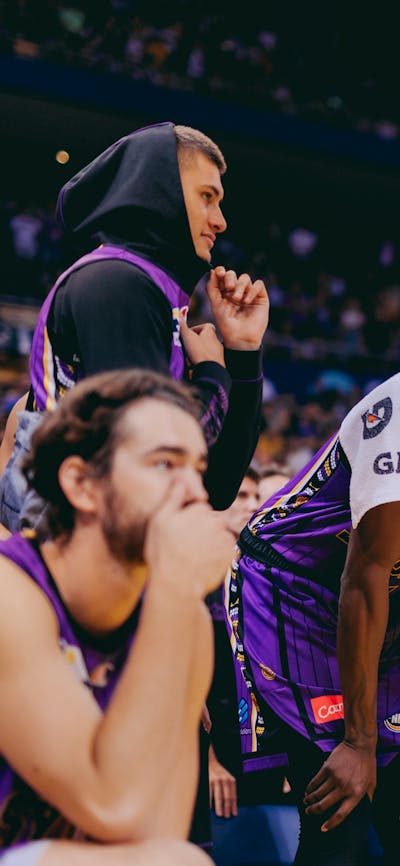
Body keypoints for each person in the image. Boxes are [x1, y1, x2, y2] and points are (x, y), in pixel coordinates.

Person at [0, 367, 237, 866]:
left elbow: (156, 830)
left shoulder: (181, 617)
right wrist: (175, 592)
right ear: (82, 484)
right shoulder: (10, 594)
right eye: (165, 464)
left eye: (197, 467)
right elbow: (114, 807)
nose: (196, 491)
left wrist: (175, 601)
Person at [0, 121, 269, 534]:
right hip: (68, 556)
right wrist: (213, 376)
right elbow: (152, 452)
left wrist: (243, 353)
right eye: (207, 198)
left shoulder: (153, 295)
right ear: (158, 190)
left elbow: (215, 486)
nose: (220, 221)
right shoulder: (115, 282)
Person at [226, 373, 400, 865]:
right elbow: (364, 580)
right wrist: (358, 740)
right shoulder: (397, 415)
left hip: (382, 601)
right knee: (343, 812)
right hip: (298, 593)